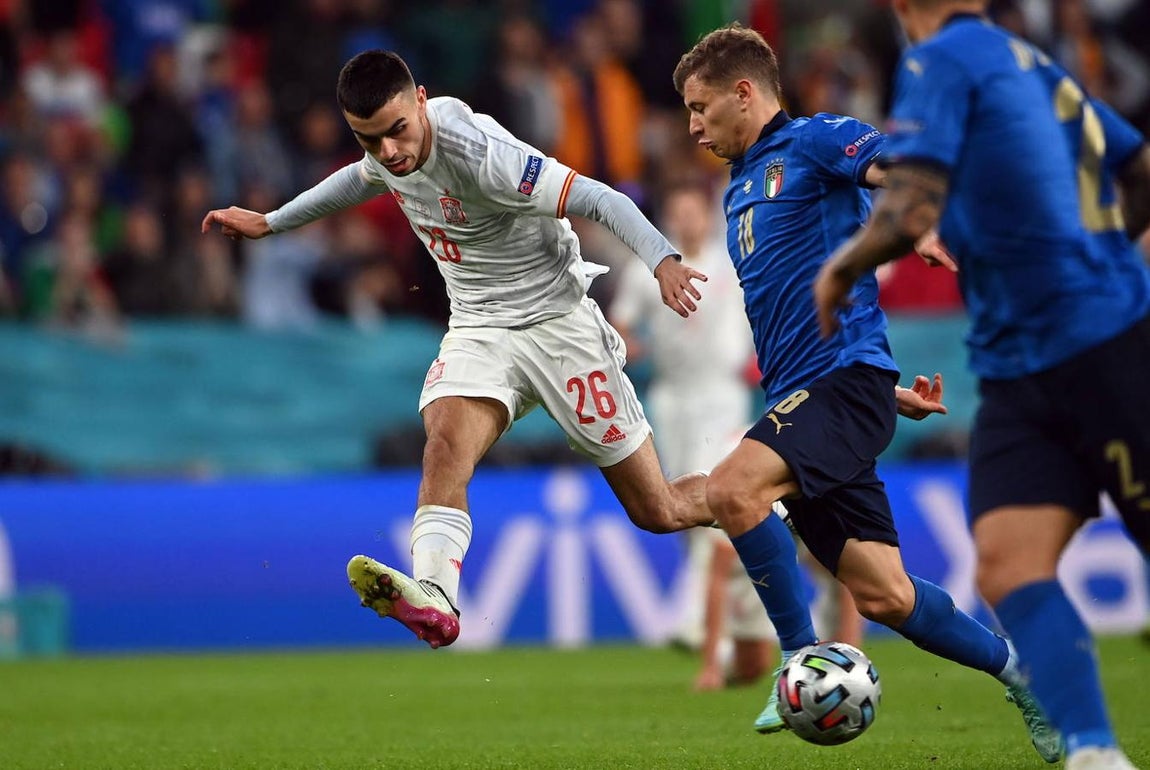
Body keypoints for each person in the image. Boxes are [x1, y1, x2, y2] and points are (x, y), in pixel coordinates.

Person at [201, 49, 721, 651]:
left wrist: (661, 258)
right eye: (369, 139)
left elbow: (601, 199)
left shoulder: (483, 154)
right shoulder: (385, 154)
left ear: (420, 100)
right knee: (444, 442)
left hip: (560, 327)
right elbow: (356, 180)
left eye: (397, 130)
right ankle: (438, 596)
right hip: (480, 326)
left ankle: (756, 491)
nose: (390, 152)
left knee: (658, 510)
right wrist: (271, 222)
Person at [672, 24, 1060, 762]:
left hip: (838, 387)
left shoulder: (818, 141)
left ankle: (798, 657)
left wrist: (918, 228)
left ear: (744, 93)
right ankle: (1023, 671)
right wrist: (885, 388)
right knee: (885, 595)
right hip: (821, 395)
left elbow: (894, 171)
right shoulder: (739, 189)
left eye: (700, 106)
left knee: (732, 491)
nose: (693, 126)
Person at [811, 2, 1150, 769]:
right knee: (1005, 562)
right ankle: (1096, 753)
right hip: (1017, 366)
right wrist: (1114, 254)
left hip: (1095, 347)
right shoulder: (1031, 63)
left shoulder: (942, 60)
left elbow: (913, 201)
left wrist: (842, 267)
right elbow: (1137, 169)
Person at [608, 181, 773, 686]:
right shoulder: (646, 271)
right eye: (676, 212)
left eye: (693, 211)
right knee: (677, 506)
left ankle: (699, 622)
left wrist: (758, 357)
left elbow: (763, 310)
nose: (686, 221)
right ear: (668, 220)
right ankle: (717, 620)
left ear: (707, 215)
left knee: (716, 493)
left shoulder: (732, 263)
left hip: (721, 395)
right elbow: (619, 326)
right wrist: (628, 346)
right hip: (671, 398)